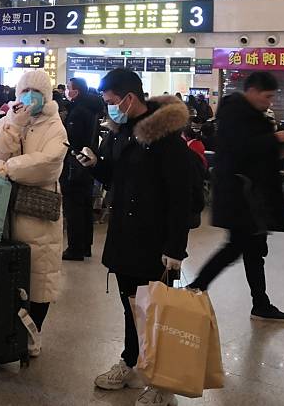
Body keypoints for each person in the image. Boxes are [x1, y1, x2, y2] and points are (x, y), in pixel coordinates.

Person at [76, 68, 192, 406]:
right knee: (131, 307)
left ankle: (163, 380)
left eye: (112, 101)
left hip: (154, 241)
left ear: (129, 98)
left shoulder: (166, 138)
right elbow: (117, 178)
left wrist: (175, 248)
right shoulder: (121, 133)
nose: (108, 107)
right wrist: (95, 165)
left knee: (155, 311)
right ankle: (131, 361)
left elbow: (181, 196)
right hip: (125, 235)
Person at [188, 72, 284, 323]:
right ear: (252, 91)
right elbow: (239, 149)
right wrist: (275, 138)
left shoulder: (253, 116)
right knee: (237, 246)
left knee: (253, 249)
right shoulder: (233, 114)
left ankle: (260, 303)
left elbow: (259, 154)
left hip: (254, 194)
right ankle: (195, 288)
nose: (270, 102)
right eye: (267, 96)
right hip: (241, 194)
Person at [0, 70, 68, 358]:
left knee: (39, 279)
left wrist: (8, 169)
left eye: (36, 92)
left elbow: (49, 164)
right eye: (25, 91)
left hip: (37, 211)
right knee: (7, 275)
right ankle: (7, 335)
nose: (30, 97)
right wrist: (13, 125)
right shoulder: (12, 117)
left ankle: (32, 335)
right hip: (5, 210)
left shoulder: (55, 125)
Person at [61, 77, 99, 261]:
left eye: (69, 88)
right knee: (85, 207)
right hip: (88, 165)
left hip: (74, 165)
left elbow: (72, 141)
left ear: (77, 91)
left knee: (74, 208)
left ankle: (75, 248)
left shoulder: (77, 112)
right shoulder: (92, 110)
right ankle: (85, 246)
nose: (67, 91)